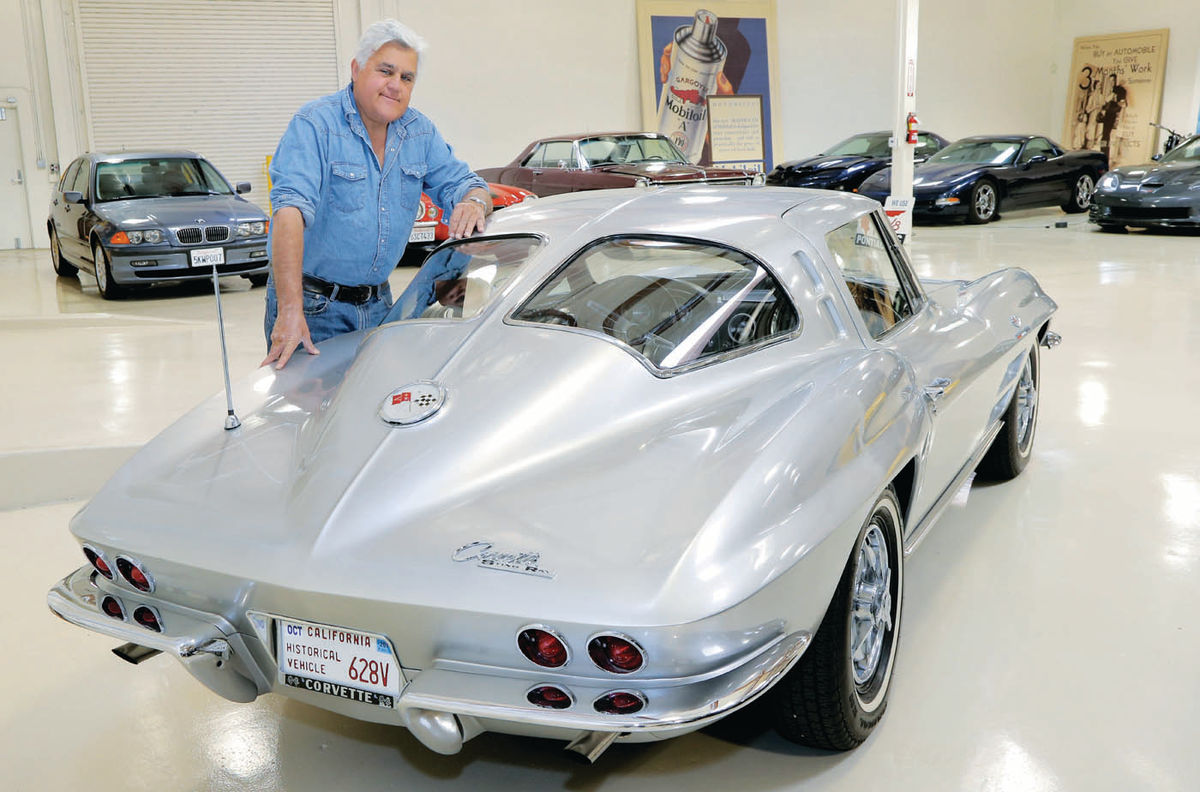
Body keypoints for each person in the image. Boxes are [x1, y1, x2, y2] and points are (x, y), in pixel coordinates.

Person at [263, 18, 490, 369]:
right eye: (386, 71)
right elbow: (289, 213)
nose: (395, 86)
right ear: (356, 69)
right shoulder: (315, 125)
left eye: (406, 77)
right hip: (313, 306)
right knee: (310, 418)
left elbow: (468, 184)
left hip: (380, 306)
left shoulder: (419, 134)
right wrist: (291, 311)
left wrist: (473, 202)